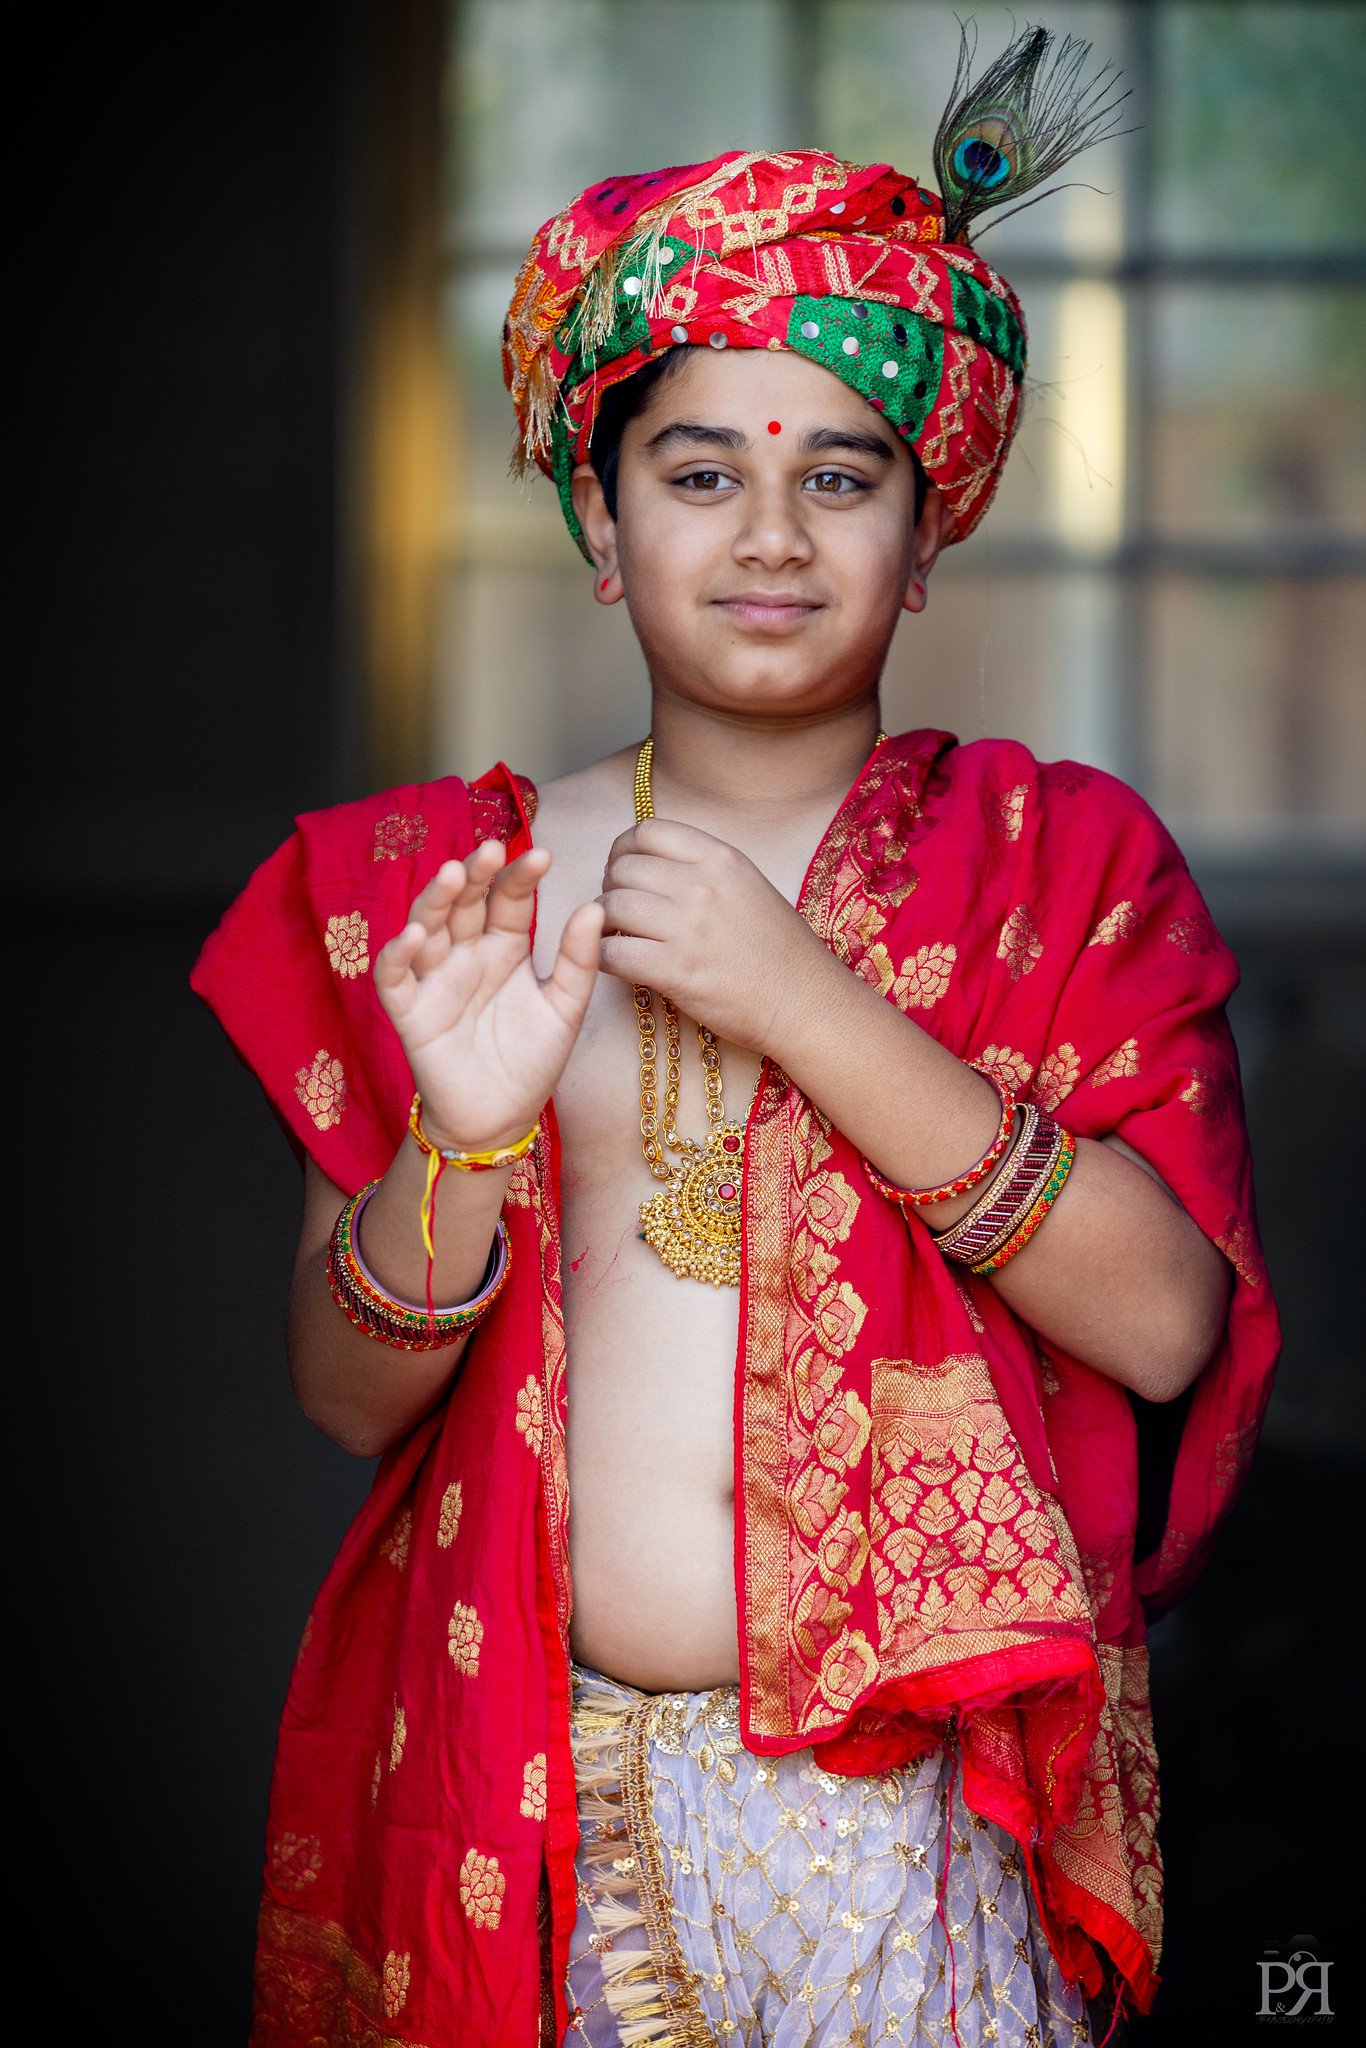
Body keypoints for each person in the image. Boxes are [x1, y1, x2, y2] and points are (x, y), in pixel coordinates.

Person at [192, 26, 1280, 2047]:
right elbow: (346, 1398)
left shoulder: (1056, 862)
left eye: (836, 473)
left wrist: (798, 996)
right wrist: (456, 1138)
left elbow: (1160, 1326)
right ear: (599, 526)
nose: (768, 533)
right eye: (698, 472)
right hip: (540, 1803)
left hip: (909, 1816)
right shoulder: (463, 890)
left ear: (925, 531)